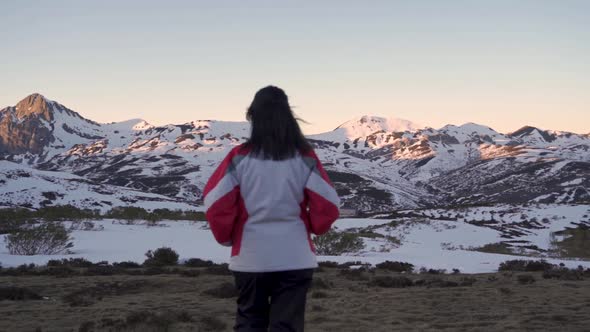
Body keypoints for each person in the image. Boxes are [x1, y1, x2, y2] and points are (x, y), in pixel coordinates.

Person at [203, 86, 340, 332]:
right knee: (286, 326)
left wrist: (227, 236)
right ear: (288, 116)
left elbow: (215, 203)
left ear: (253, 116)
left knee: (249, 323)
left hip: (251, 257)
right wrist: (315, 226)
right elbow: (328, 204)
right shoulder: (305, 157)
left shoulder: (238, 157)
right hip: (295, 257)